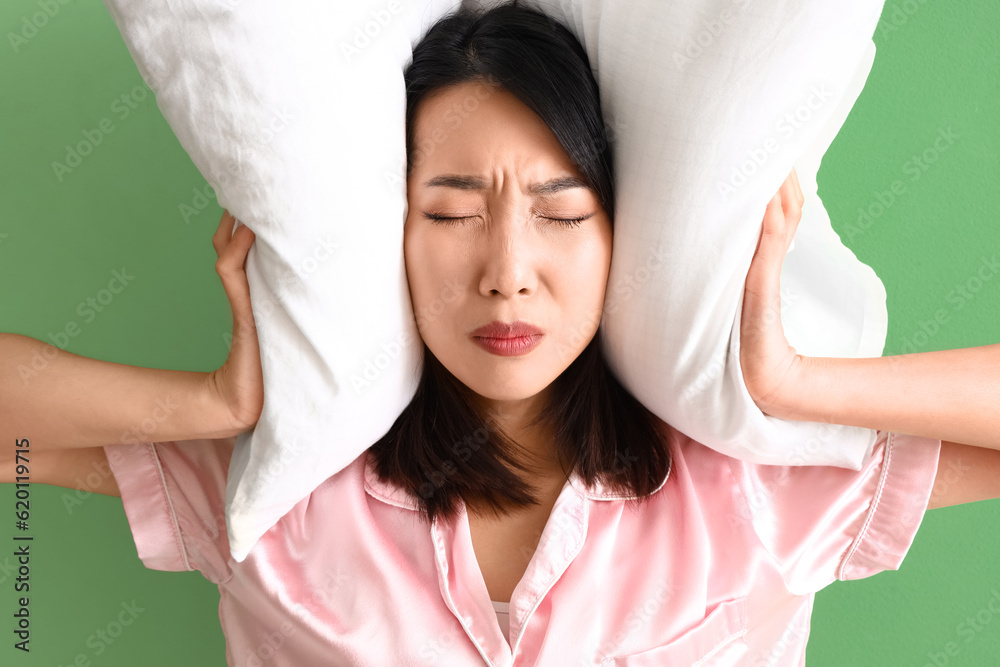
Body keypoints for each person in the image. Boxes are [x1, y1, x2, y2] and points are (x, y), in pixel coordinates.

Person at [2, 2, 998, 665]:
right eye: (448, 211)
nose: (506, 270)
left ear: (623, 237)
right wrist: (221, 401)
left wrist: (789, 383)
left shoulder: (753, 495)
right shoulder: (281, 500)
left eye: (561, 213)